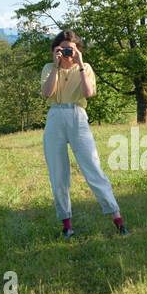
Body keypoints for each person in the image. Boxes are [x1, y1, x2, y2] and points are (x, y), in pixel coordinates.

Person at [40, 30, 128, 239]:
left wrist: (80, 64)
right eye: (63, 48)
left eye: (71, 48)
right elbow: (46, 93)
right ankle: (67, 225)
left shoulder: (85, 68)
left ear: (78, 50)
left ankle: (117, 219)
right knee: (58, 174)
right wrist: (55, 65)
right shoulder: (49, 68)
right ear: (55, 50)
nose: (67, 52)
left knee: (93, 168)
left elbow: (89, 93)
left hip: (78, 116)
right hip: (55, 117)